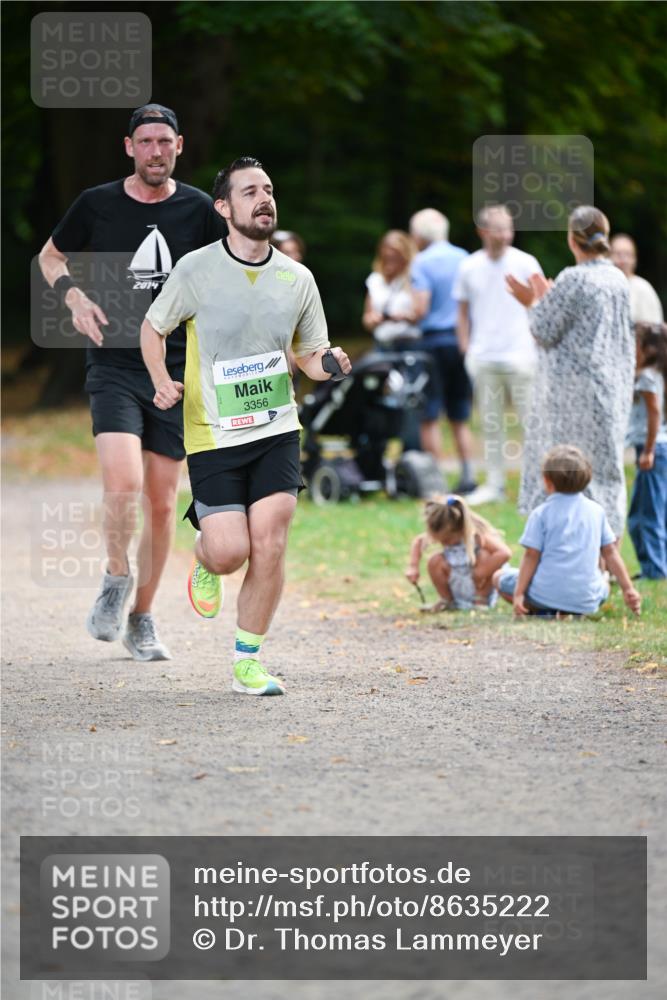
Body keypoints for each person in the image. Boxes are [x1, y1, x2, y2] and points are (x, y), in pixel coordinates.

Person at [140, 156, 351, 696]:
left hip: (277, 428)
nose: (264, 199)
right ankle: (206, 556)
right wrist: (161, 379)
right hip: (213, 432)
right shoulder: (195, 269)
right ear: (223, 207)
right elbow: (153, 327)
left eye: (269, 189)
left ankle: (247, 661)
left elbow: (308, 354)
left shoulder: (296, 278)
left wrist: (328, 364)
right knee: (231, 549)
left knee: (272, 540)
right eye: (250, 191)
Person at [38, 103, 224, 661]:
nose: (155, 151)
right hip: (114, 362)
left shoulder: (199, 209)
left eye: (164, 141)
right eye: (145, 142)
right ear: (129, 148)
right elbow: (50, 256)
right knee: (122, 486)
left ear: (180, 145)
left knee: (163, 503)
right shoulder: (96, 203)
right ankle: (116, 578)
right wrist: (72, 294)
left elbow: (238, 264)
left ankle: (142, 618)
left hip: (174, 369)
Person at [506, 205, 634, 540]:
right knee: (606, 472)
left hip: (572, 397)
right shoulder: (617, 277)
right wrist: (549, 298)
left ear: (571, 239)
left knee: (568, 471)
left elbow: (544, 330)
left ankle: (566, 551)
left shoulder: (575, 278)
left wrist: (532, 301)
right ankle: (608, 560)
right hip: (611, 388)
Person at [454, 205, 544, 506]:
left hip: (521, 356)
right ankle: (495, 484)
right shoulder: (469, 266)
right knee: (492, 423)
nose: (506, 234)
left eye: (509, 228)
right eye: (499, 228)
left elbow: (543, 302)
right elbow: (462, 312)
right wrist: (465, 346)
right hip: (484, 356)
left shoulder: (525, 262)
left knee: (531, 422)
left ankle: (535, 485)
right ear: (483, 231)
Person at [494, 446, 641, 617]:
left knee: (498, 577)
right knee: (604, 581)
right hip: (588, 599)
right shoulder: (597, 511)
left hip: (543, 594)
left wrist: (518, 593)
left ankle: (542, 610)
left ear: (547, 481)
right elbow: (611, 553)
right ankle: (569, 609)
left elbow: (531, 556)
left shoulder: (541, 513)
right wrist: (628, 588)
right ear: (587, 478)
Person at [409, 208, 475, 493]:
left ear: (421, 235)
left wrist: (402, 315)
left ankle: (436, 481)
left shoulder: (420, 263)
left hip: (432, 344)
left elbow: (421, 307)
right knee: (459, 415)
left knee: (430, 414)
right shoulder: (466, 259)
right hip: (462, 342)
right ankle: (468, 475)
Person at [405, 494, 511, 611]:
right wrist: (413, 567)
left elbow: (504, 553)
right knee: (435, 560)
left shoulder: (477, 535)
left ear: (459, 529)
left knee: (486, 555)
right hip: (458, 580)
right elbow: (419, 542)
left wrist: (481, 572)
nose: (444, 543)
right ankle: (447, 600)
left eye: (446, 539)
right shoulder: (442, 530)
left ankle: (481, 599)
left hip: (480, 584)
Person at [626, 322, 667, 579]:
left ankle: (654, 570)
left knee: (645, 515)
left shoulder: (647, 377)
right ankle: (654, 566)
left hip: (654, 449)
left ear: (647, 348)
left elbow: (653, 412)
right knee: (650, 511)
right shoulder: (658, 374)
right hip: (659, 448)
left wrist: (648, 450)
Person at [362, 230, 420, 348]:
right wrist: (373, 320)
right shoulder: (374, 280)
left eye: (395, 258)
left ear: (405, 257)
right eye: (386, 258)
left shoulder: (414, 279)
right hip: (382, 343)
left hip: (410, 343)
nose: (390, 262)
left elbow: (422, 314)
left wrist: (405, 317)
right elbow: (366, 318)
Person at [610, 234, 664, 324]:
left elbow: (653, 329)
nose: (623, 260)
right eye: (618, 254)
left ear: (635, 259)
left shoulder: (643, 289)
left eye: (627, 254)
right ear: (608, 256)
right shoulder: (603, 286)